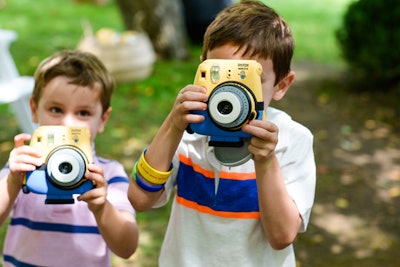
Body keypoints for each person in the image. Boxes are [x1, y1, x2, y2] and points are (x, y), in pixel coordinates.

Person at [128, 1, 316, 266]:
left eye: (248, 79)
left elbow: (282, 236)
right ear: (202, 70)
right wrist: (173, 125)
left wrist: (265, 161)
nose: (230, 91)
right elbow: (139, 199)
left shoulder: (293, 140)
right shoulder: (187, 132)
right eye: (220, 74)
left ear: (281, 85)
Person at [0, 50, 138, 267]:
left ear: (102, 119)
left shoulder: (108, 175)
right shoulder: (23, 167)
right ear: (34, 110)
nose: (67, 123)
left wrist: (102, 208)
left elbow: (127, 247)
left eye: (83, 113)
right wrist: (12, 182)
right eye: (56, 109)